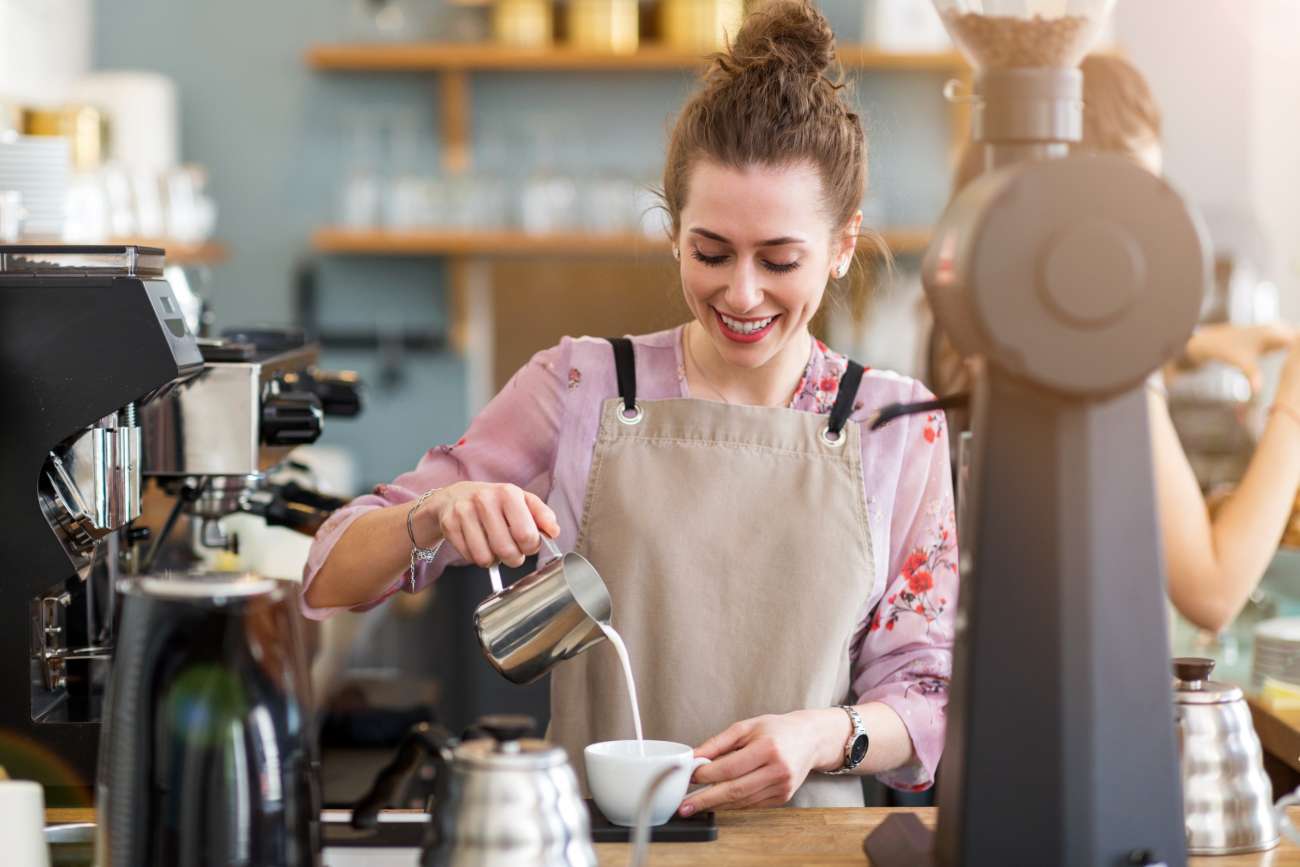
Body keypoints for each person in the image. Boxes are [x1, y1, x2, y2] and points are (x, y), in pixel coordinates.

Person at [303, 0, 957, 812]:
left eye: (780, 259)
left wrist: (826, 735)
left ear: (843, 245)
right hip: (599, 846)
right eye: (710, 253)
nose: (742, 292)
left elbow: (930, 692)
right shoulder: (581, 385)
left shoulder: (896, 421)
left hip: (807, 848)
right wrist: (436, 511)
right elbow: (327, 574)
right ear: (673, 230)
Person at [930, 53, 1300, 634]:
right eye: (1139, 196)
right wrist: (1294, 405)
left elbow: (1072, 408)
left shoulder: (979, 311)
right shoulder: (1107, 359)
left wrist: (1190, 347)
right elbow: (1213, 590)